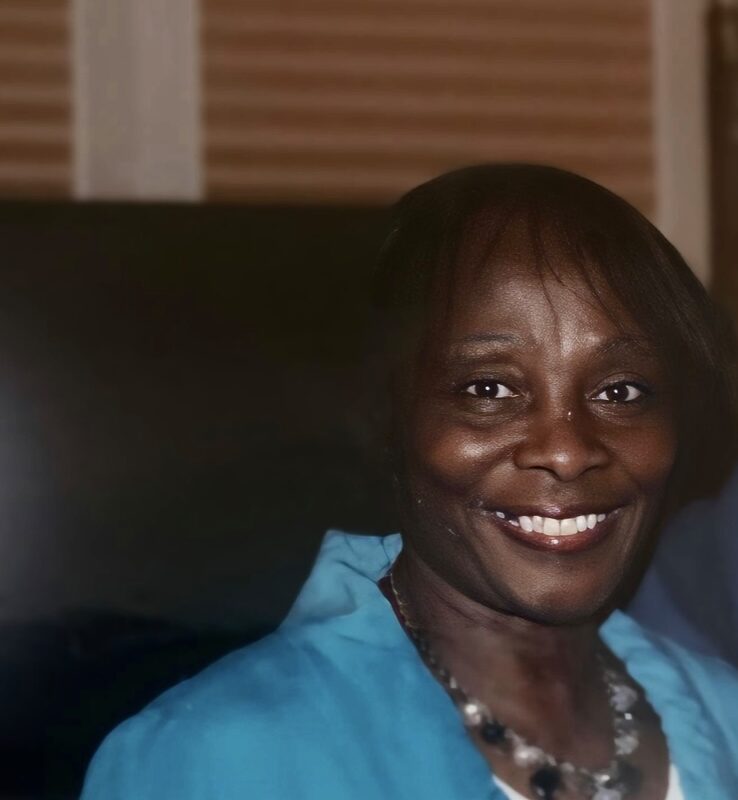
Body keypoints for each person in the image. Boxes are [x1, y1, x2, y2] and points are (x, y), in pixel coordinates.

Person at [81, 165, 738, 800]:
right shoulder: (212, 759)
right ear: (386, 417)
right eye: (489, 389)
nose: (567, 452)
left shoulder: (725, 720)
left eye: (621, 391)